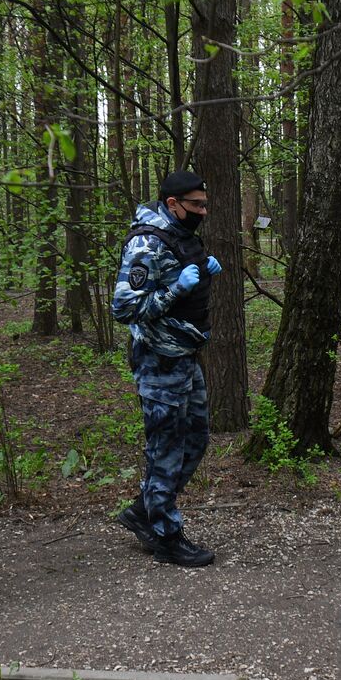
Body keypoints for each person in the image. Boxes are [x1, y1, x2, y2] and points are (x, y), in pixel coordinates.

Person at [111, 170, 221, 568]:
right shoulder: (145, 243)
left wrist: (201, 273)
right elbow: (123, 308)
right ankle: (166, 536)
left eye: (205, 205)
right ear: (173, 204)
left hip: (184, 357)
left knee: (196, 439)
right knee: (166, 450)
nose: (203, 212)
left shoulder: (180, 238)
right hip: (159, 361)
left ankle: (144, 511)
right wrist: (178, 289)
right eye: (196, 205)